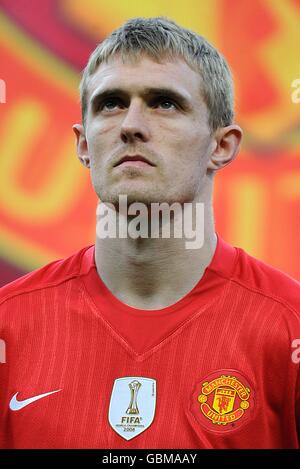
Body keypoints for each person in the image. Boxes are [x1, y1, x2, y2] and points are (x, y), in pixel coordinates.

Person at [0, 17, 299, 450]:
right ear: (84, 145)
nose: (131, 125)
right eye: (111, 103)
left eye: (164, 103)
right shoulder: (10, 326)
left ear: (222, 145)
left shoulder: (288, 328)